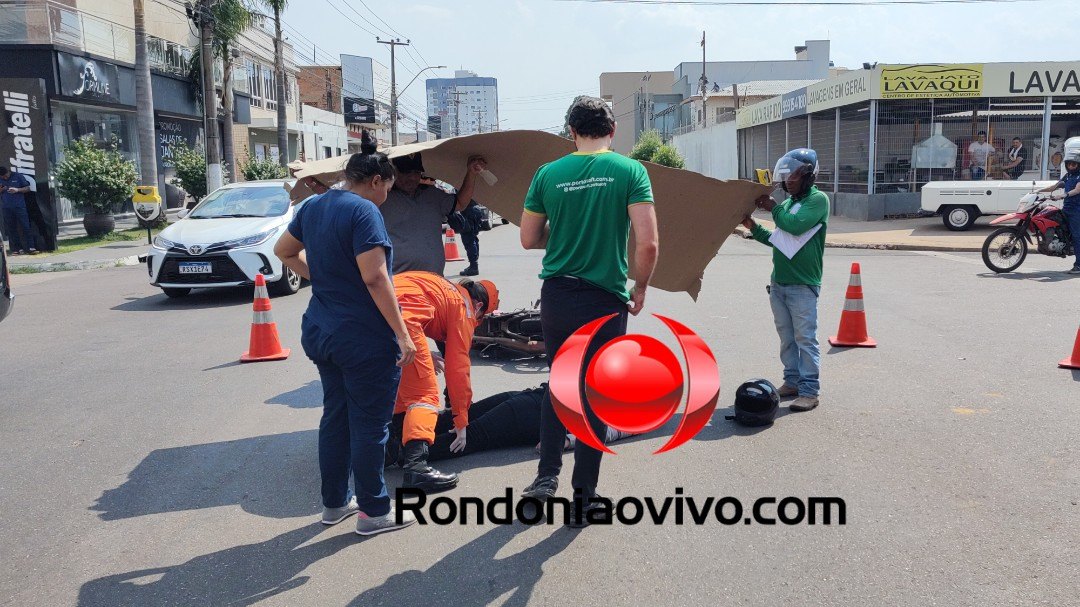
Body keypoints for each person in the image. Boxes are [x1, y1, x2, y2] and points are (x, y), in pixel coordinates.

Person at [519, 95, 659, 527]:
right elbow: (648, 242)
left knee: (559, 382)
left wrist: (563, 235)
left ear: (570, 132)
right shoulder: (630, 170)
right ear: (612, 131)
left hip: (558, 295)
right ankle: (584, 497)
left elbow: (528, 238)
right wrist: (640, 287)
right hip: (605, 298)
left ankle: (545, 477)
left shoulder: (548, 173)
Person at [273, 132, 419, 536]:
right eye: (388, 186)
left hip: (322, 330)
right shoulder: (365, 212)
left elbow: (284, 252)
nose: (388, 193)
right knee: (371, 426)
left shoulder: (315, 205)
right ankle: (374, 511)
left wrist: (324, 277)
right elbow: (375, 278)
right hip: (363, 337)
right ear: (376, 181)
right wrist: (403, 336)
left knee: (336, 418)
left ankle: (335, 503)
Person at [389, 271, 499, 492]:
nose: (478, 322)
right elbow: (458, 369)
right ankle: (416, 468)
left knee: (400, 387)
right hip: (401, 320)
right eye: (483, 317)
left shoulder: (445, 288)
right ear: (479, 306)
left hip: (374, 310)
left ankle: (389, 447)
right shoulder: (464, 308)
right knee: (423, 396)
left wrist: (421, 352)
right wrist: (461, 420)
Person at [742, 148, 830, 412]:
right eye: (786, 175)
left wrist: (773, 208)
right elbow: (779, 240)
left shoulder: (818, 200)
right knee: (787, 338)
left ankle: (809, 391)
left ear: (807, 175)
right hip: (779, 282)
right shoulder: (790, 204)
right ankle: (791, 382)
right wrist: (753, 227)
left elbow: (793, 226)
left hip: (803, 284)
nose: (787, 180)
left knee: (806, 339)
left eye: (792, 175)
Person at [381, 153, 487, 275]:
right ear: (395, 173)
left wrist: (471, 173)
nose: (412, 178)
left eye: (416, 173)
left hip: (434, 281)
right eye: (406, 173)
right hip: (399, 283)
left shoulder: (433, 195)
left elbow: (460, 203)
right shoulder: (382, 197)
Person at [1037, 150, 1080, 274]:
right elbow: (1056, 186)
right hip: (1066, 208)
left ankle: (1079, 265)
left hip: (1076, 210)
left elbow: (1077, 190)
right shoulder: (1068, 176)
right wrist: (1039, 191)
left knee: (1077, 236)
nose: (1071, 166)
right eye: (1069, 164)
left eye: (1074, 164)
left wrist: (1064, 195)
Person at [0, 166, 38, 255]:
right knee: (11, 229)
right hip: (6, 207)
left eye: (5, 176)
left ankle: (31, 247)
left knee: (26, 226)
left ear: (8, 172)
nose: (5, 178)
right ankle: (17, 249)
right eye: (3, 177)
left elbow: (28, 188)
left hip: (19, 206)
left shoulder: (18, 176)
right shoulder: (1, 178)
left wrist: (17, 190)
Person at [457, 200, 485, 276]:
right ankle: (473, 265)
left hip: (468, 211)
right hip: (475, 209)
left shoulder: (462, 187)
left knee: (469, 239)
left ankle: (473, 267)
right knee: (473, 238)